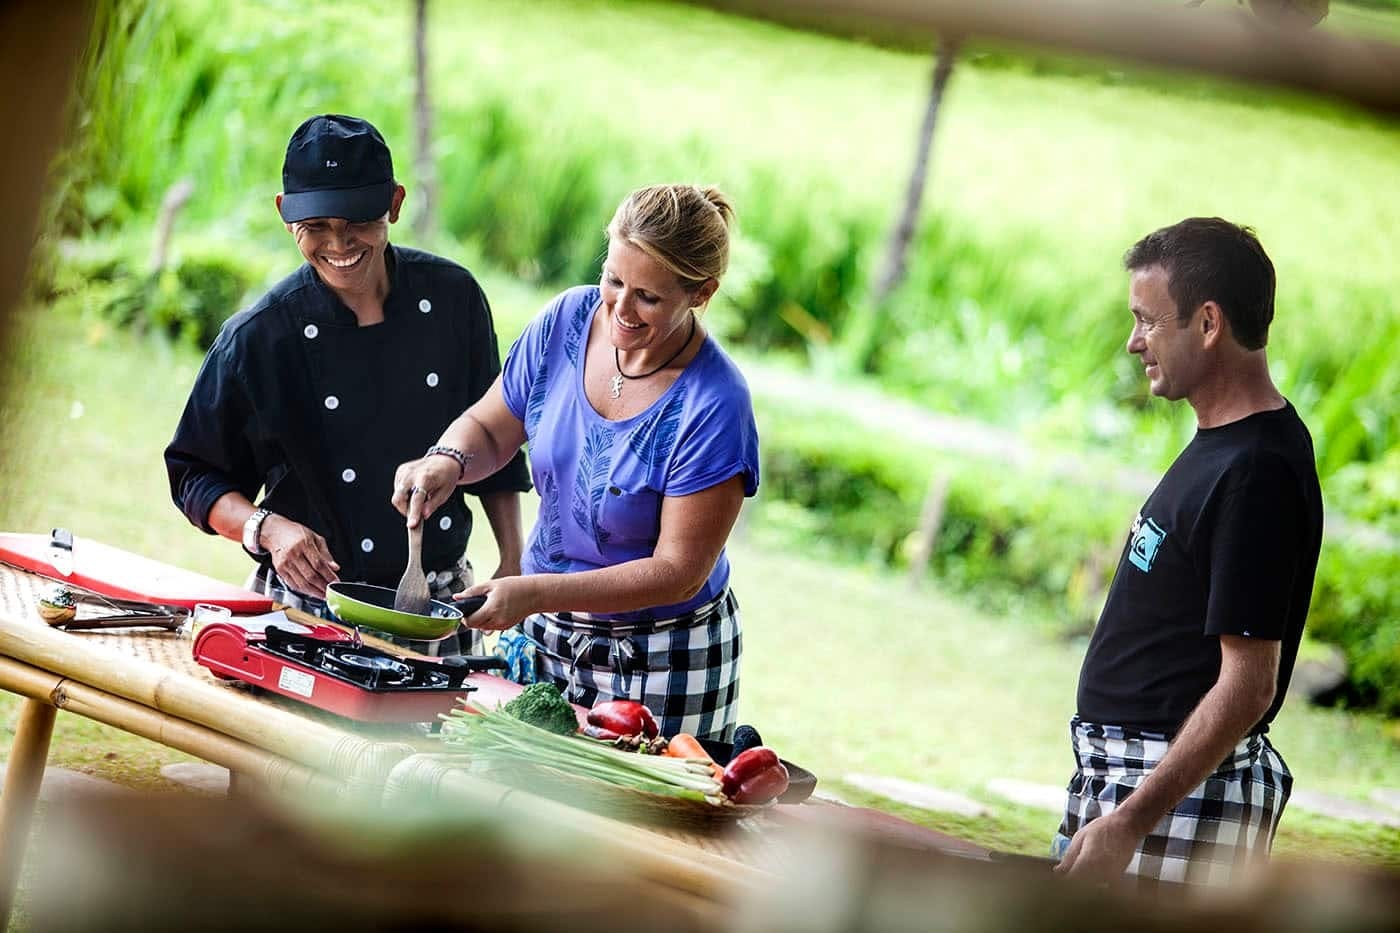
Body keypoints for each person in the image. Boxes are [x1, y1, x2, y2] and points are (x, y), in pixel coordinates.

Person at [392, 184, 759, 740]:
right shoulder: (567, 319)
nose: (620, 308)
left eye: (649, 298)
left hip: (662, 658)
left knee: (620, 824)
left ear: (701, 293)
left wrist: (536, 590)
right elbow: (493, 425)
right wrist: (446, 458)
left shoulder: (715, 404)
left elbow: (678, 573)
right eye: (613, 279)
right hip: (547, 631)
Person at [165, 114, 530, 654]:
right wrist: (268, 529)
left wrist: (512, 557)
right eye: (317, 226)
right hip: (305, 607)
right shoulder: (261, 337)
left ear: (395, 205)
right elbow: (194, 474)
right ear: (286, 217)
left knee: (431, 742)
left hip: (438, 599)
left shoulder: (454, 299)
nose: (339, 244)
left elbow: (494, 435)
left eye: (358, 220)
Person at [1052, 218, 1323, 886]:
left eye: (1147, 320)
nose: (1132, 341)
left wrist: (1132, 818)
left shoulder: (1257, 470)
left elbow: (1249, 683)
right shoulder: (1226, 444)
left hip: (1177, 809)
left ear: (1208, 323)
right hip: (1144, 794)